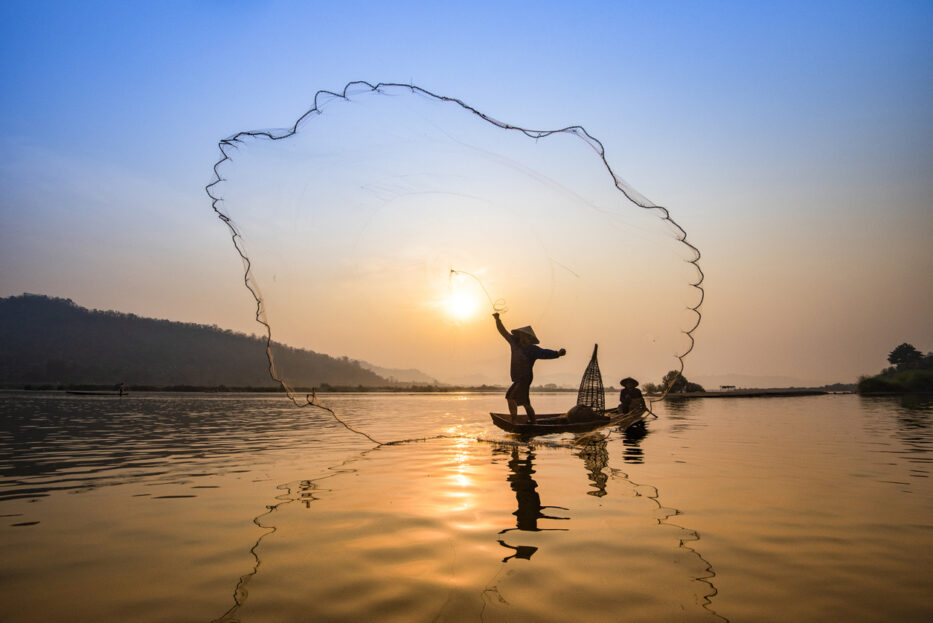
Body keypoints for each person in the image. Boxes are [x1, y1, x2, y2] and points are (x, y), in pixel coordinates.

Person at [493, 312, 566, 424]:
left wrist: (557, 353)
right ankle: (533, 422)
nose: (523, 338)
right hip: (518, 379)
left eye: (526, 336)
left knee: (511, 397)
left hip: (525, 378)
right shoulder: (514, 343)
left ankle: (514, 421)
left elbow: (545, 353)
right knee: (524, 402)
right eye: (522, 335)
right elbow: (503, 331)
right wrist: (497, 319)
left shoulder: (532, 349)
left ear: (529, 338)